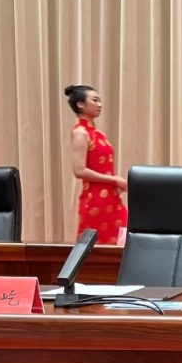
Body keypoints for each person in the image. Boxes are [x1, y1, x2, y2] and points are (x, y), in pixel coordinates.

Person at [66, 85, 128, 244]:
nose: (99, 104)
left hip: (111, 197)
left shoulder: (99, 134)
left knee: (123, 240)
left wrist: (114, 182)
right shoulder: (80, 132)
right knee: (100, 245)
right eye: (94, 100)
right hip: (95, 200)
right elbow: (79, 170)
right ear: (81, 104)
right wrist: (114, 180)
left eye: (100, 100)